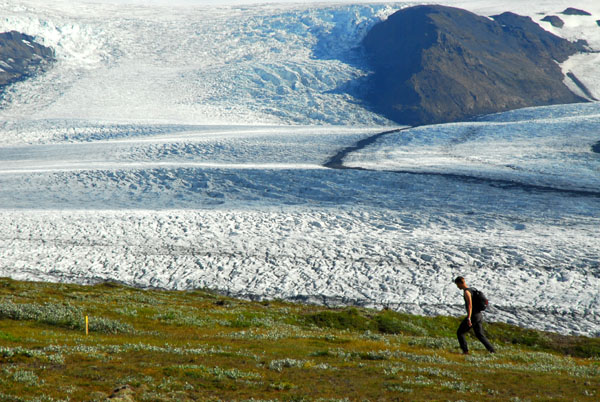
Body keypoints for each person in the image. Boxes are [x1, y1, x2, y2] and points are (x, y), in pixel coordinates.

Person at [454, 276, 495, 354]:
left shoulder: (466, 292)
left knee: (460, 332)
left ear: (460, 283)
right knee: (480, 335)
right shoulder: (472, 289)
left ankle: (465, 351)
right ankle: (492, 350)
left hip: (473, 316)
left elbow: (470, 305)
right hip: (479, 315)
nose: (457, 286)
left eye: (457, 284)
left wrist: (469, 318)